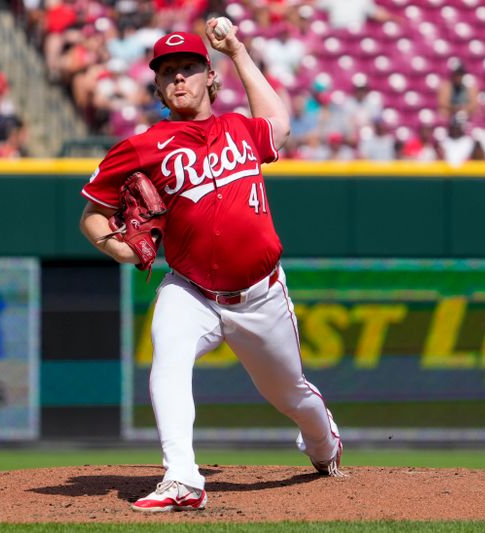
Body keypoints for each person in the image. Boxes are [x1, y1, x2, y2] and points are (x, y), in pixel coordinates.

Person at [79, 20, 343, 513]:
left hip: (261, 294)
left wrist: (238, 51)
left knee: (289, 393)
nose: (179, 78)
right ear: (157, 86)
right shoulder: (141, 147)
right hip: (192, 289)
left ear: (210, 78)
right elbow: (93, 216)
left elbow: (280, 128)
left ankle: (324, 441)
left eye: (189, 68)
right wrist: (121, 250)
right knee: (168, 360)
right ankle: (182, 477)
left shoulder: (241, 129)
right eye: (168, 72)